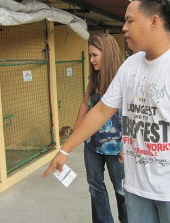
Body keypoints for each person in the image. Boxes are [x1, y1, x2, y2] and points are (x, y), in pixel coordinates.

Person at [43, 0, 170, 223]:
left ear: (154, 21)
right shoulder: (130, 66)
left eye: (130, 20)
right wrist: (65, 150)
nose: (124, 27)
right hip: (137, 190)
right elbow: (102, 111)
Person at [72, 34, 127, 223]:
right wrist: (75, 135)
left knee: (122, 191)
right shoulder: (94, 79)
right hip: (92, 145)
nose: (91, 60)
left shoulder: (123, 78)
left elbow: (132, 113)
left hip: (117, 147)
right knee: (95, 187)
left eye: (95, 55)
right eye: (90, 55)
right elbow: (85, 105)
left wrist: (127, 144)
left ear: (108, 53)